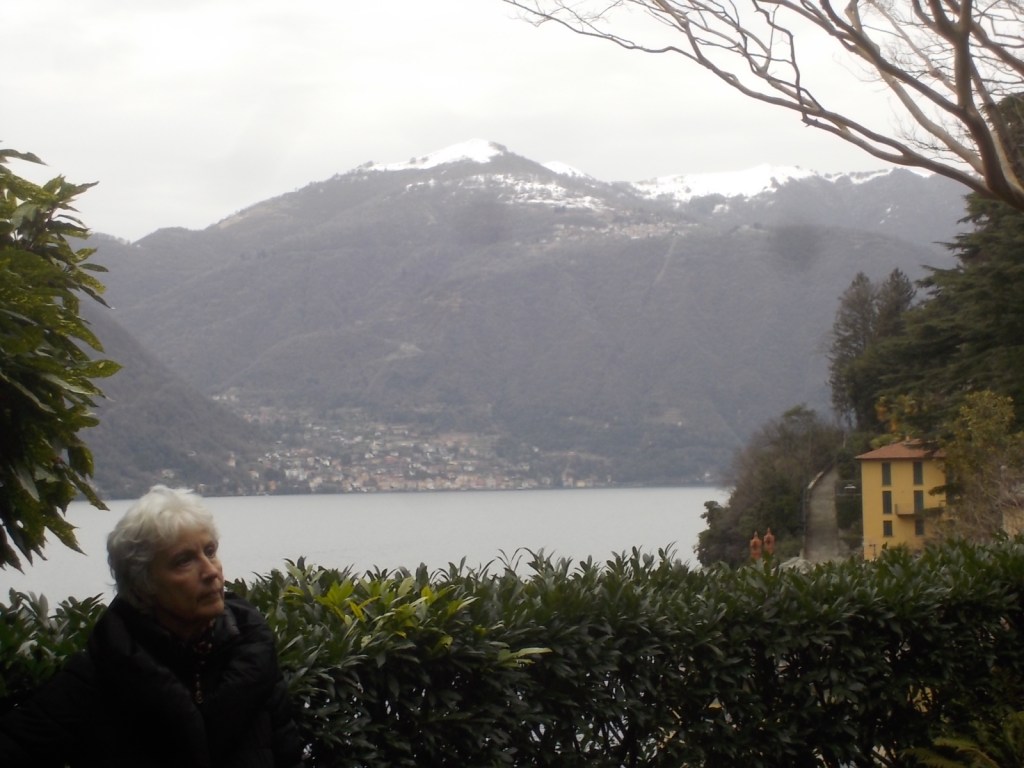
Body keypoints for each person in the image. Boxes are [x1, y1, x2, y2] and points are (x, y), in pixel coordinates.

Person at [0, 485, 304, 767]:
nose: (211, 571)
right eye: (184, 561)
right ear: (143, 584)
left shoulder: (255, 656)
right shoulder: (99, 674)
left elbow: (287, 757)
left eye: (210, 551)